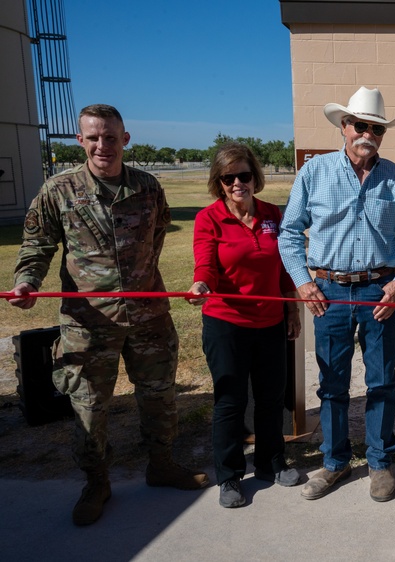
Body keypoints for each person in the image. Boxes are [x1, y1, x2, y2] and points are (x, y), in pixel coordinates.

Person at [9, 104, 208, 526]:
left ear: (125, 139)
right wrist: (27, 280)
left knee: (158, 394)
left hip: (149, 315)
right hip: (87, 321)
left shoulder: (148, 186)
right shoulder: (58, 190)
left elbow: (157, 235)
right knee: (89, 405)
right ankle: (96, 482)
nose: (103, 145)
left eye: (111, 136)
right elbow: (38, 244)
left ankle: (161, 464)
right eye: (94, 137)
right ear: (80, 140)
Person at [278, 86, 395, 504]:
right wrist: (303, 282)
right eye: (360, 125)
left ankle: (379, 462)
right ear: (344, 126)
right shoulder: (315, 172)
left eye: (376, 128)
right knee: (333, 382)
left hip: (380, 291)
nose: (368, 135)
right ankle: (335, 461)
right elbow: (289, 233)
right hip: (329, 292)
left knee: (380, 381)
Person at [187, 143, 303, 508]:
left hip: (270, 322)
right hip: (226, 324)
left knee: (271, 398)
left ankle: (271, 462)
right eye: (228, 177)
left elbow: (285, 266)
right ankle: (230, 476)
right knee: (230, 401)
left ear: (255, 176)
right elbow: (206, 263)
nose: (238, 182)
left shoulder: (273, 214)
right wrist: (201, 283)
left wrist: (292, 310)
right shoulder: (209, 218)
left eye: (244, 175)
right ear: (218, 183)